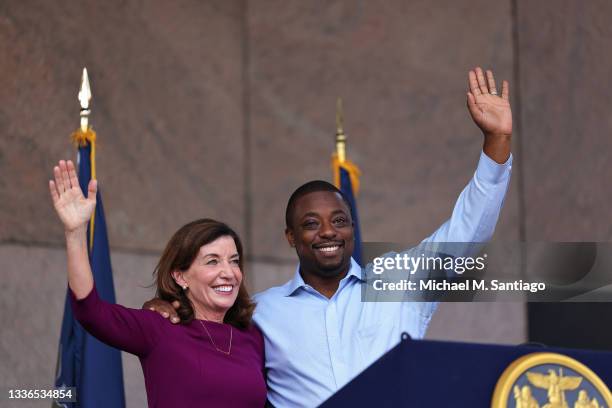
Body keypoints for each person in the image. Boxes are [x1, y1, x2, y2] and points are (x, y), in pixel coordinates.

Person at [146, 67, 513, 407]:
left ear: (352, 228)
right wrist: (160, 311)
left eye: (339, 220)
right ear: (291, 237)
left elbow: (466, 234)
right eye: (311, 224)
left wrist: (497, 142)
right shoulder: (259, 312)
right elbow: (200, 340)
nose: (327, 231)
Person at [49, 160, 266, 407]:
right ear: (180, 276)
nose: (228, 272)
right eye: (212, 261)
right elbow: (90, 312)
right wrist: (75, 233)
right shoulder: (160, 328)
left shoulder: (252, 335)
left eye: (234, 261)